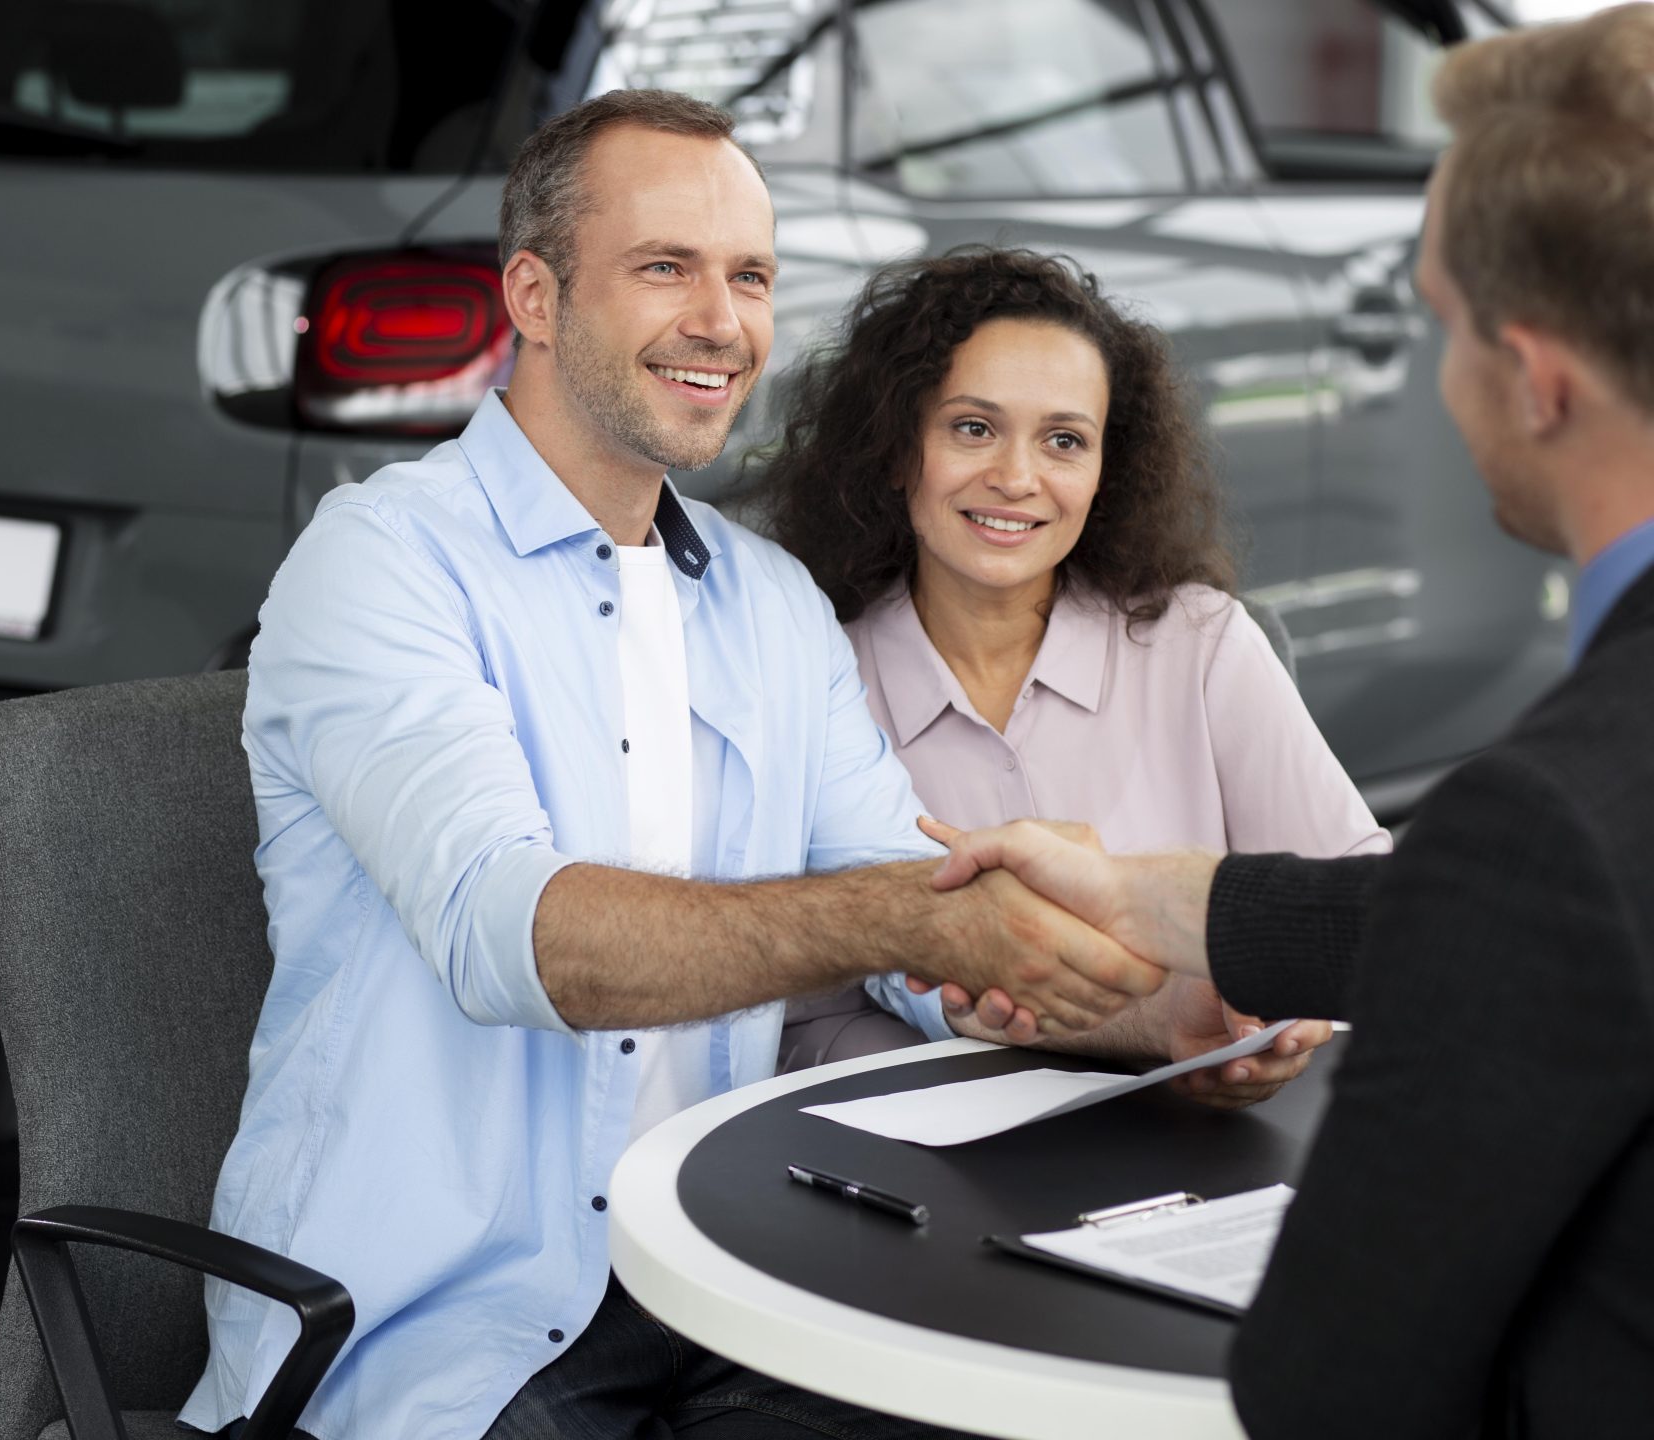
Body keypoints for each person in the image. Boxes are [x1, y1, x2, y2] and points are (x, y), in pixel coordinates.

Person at [182, 89, 1224, 1440]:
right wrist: (912, 914)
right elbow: (524, 940)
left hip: (726, 1279)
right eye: (665, 267)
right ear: (536, 296)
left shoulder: (768, 601)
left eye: (750, 277)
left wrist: (1181, 1026)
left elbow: (921, 925)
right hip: (445, 1324)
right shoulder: (381, 562)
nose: (721, 321)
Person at [924, 7, 1654, 1435]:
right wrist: (1154, 899)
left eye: (1441, 328)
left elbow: (1327, 1378)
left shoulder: (1550, 824)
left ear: (1539, 375)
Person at [764, 247, 1385, 1079]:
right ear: (896, 448)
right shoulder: (812, 680)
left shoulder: (1202, 645)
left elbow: (1359, 900)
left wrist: (1269, 1020)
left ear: (1105, 472)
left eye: (1064, 440)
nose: (1017, 478)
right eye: (973, 428)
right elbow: (796, 1023)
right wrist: (1002, 1047)